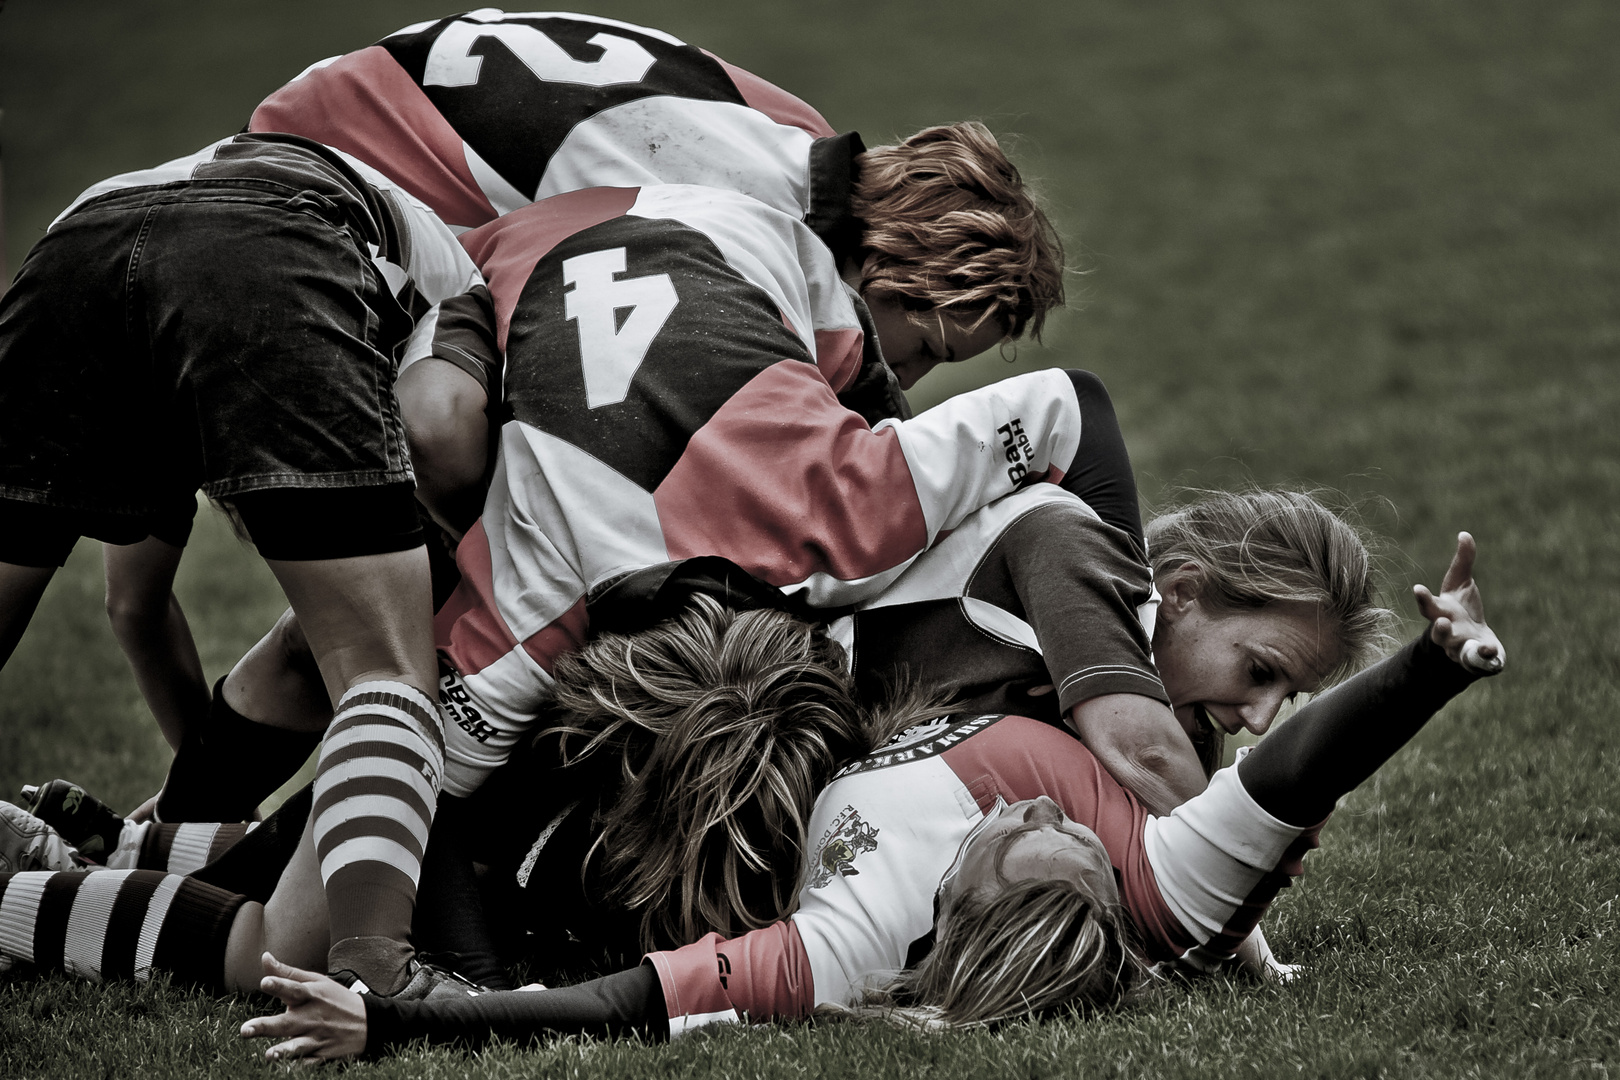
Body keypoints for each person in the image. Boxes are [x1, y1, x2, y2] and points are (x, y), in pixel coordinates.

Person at [0, 527, 1501, 1052]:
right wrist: (1425, 674)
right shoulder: (1155, 870)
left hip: (666, 800)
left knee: (285, 935)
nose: (1046, 821)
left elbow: (632, 1004)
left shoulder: (862, 938)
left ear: (972, 933)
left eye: (1027, 857)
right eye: (1068, 837)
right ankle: (106, 851)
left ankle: (46, 892)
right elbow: (1287, 789)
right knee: (310, 874)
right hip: (732, 691)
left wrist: (405, 1015)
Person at [0, 130, 501, 998]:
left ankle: (103, 852)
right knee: (384, 673)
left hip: (78, 237)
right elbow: (443, 432)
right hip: (280, 242)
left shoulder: (185, 210)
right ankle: (378, 972)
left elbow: (136, 606)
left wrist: (202, 812)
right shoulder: (466, 285)